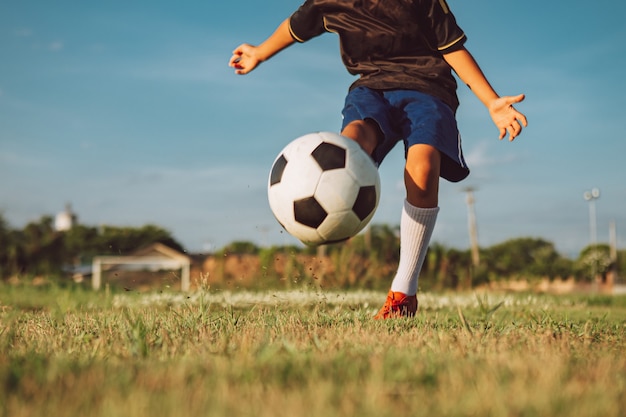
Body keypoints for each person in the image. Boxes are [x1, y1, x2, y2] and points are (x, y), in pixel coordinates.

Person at [229, 0, 527, 319]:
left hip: (428, 88)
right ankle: (338, 207)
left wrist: (492, 101)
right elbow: (296, 27)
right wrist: (260, 52)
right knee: (354, 138)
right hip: (371, 87)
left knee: (422, 167)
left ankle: (404, 290)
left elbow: (453, 47)